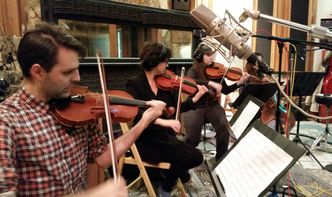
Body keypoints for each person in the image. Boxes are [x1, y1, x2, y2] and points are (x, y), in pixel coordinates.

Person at [0, 22, 166, 197]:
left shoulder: (78, 109)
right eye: (67, 72)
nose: (77, 78)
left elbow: (103, 157)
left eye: (77, 69)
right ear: (38, 72)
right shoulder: (6, 122)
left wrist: (145, 120)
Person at [125, 41, 208, 197]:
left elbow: (174, 109)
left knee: (196, 156)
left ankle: (168, 179)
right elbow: (137, 116)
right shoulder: (135, 84)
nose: (167, 65)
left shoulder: (165, 84)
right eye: (165, 61)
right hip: (145, 139)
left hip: (164, 137)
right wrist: (164, 121)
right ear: (155, 61)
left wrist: (195, 98)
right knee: (187, 157)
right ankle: (166, 187)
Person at [183, 43, 249, 161]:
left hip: (211, 105)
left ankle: (220, 159)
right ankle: (186, 161)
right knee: (192, 137)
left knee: (224, 128)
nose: (211, 58)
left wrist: (239, 82)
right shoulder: (193, 70)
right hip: (196, 106)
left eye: (212, 55)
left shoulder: (216, 70)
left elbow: (225, 90)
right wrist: (209, 83)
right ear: (200, 57)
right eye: (208, 55)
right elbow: (191, 82)